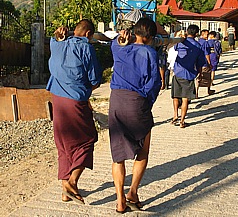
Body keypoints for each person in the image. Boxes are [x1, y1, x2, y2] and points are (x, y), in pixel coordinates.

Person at [46, 19, 102, 204]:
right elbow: (95, 79)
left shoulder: (56, 44)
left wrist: (61, 35)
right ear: (88, 34)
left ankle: (65, 193)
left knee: (63, 145)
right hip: (75, 99)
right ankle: (71, 182)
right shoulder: (86, 48)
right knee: (87, 140)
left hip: (57, 100)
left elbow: (55, 38)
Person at [109, 17, 162, 213]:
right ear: (151, 37)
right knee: (142, 150)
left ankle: (119, 200)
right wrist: (146, 103)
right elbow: (154, 83)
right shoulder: (149, 52)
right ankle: (132, 192)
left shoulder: (120, 48)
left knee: (118, 154)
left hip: (116, 101)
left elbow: (114, 44)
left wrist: (120, 39)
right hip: (137, 101)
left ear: (134, 32)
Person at [171, 24, 206, 128]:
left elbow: (175, 48)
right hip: (189, 74)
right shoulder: (198, 46)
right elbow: (200, 62)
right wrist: (200, 73)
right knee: (185, 98)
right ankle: (182, 121)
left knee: (176, 96)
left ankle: (175, 116)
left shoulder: (180, 42)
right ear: (196, 33)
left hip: (177, 72)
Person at [197, 29, 215, 97]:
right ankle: (208, 90)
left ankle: (196, 92)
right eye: (206, 34)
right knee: (207, 76)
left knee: (198, 77)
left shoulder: (198, 41)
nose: (207, 36)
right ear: (202, 34)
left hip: (198, 61)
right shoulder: (205, 43)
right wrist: (209, 63)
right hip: (204, 61)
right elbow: (207, 53)